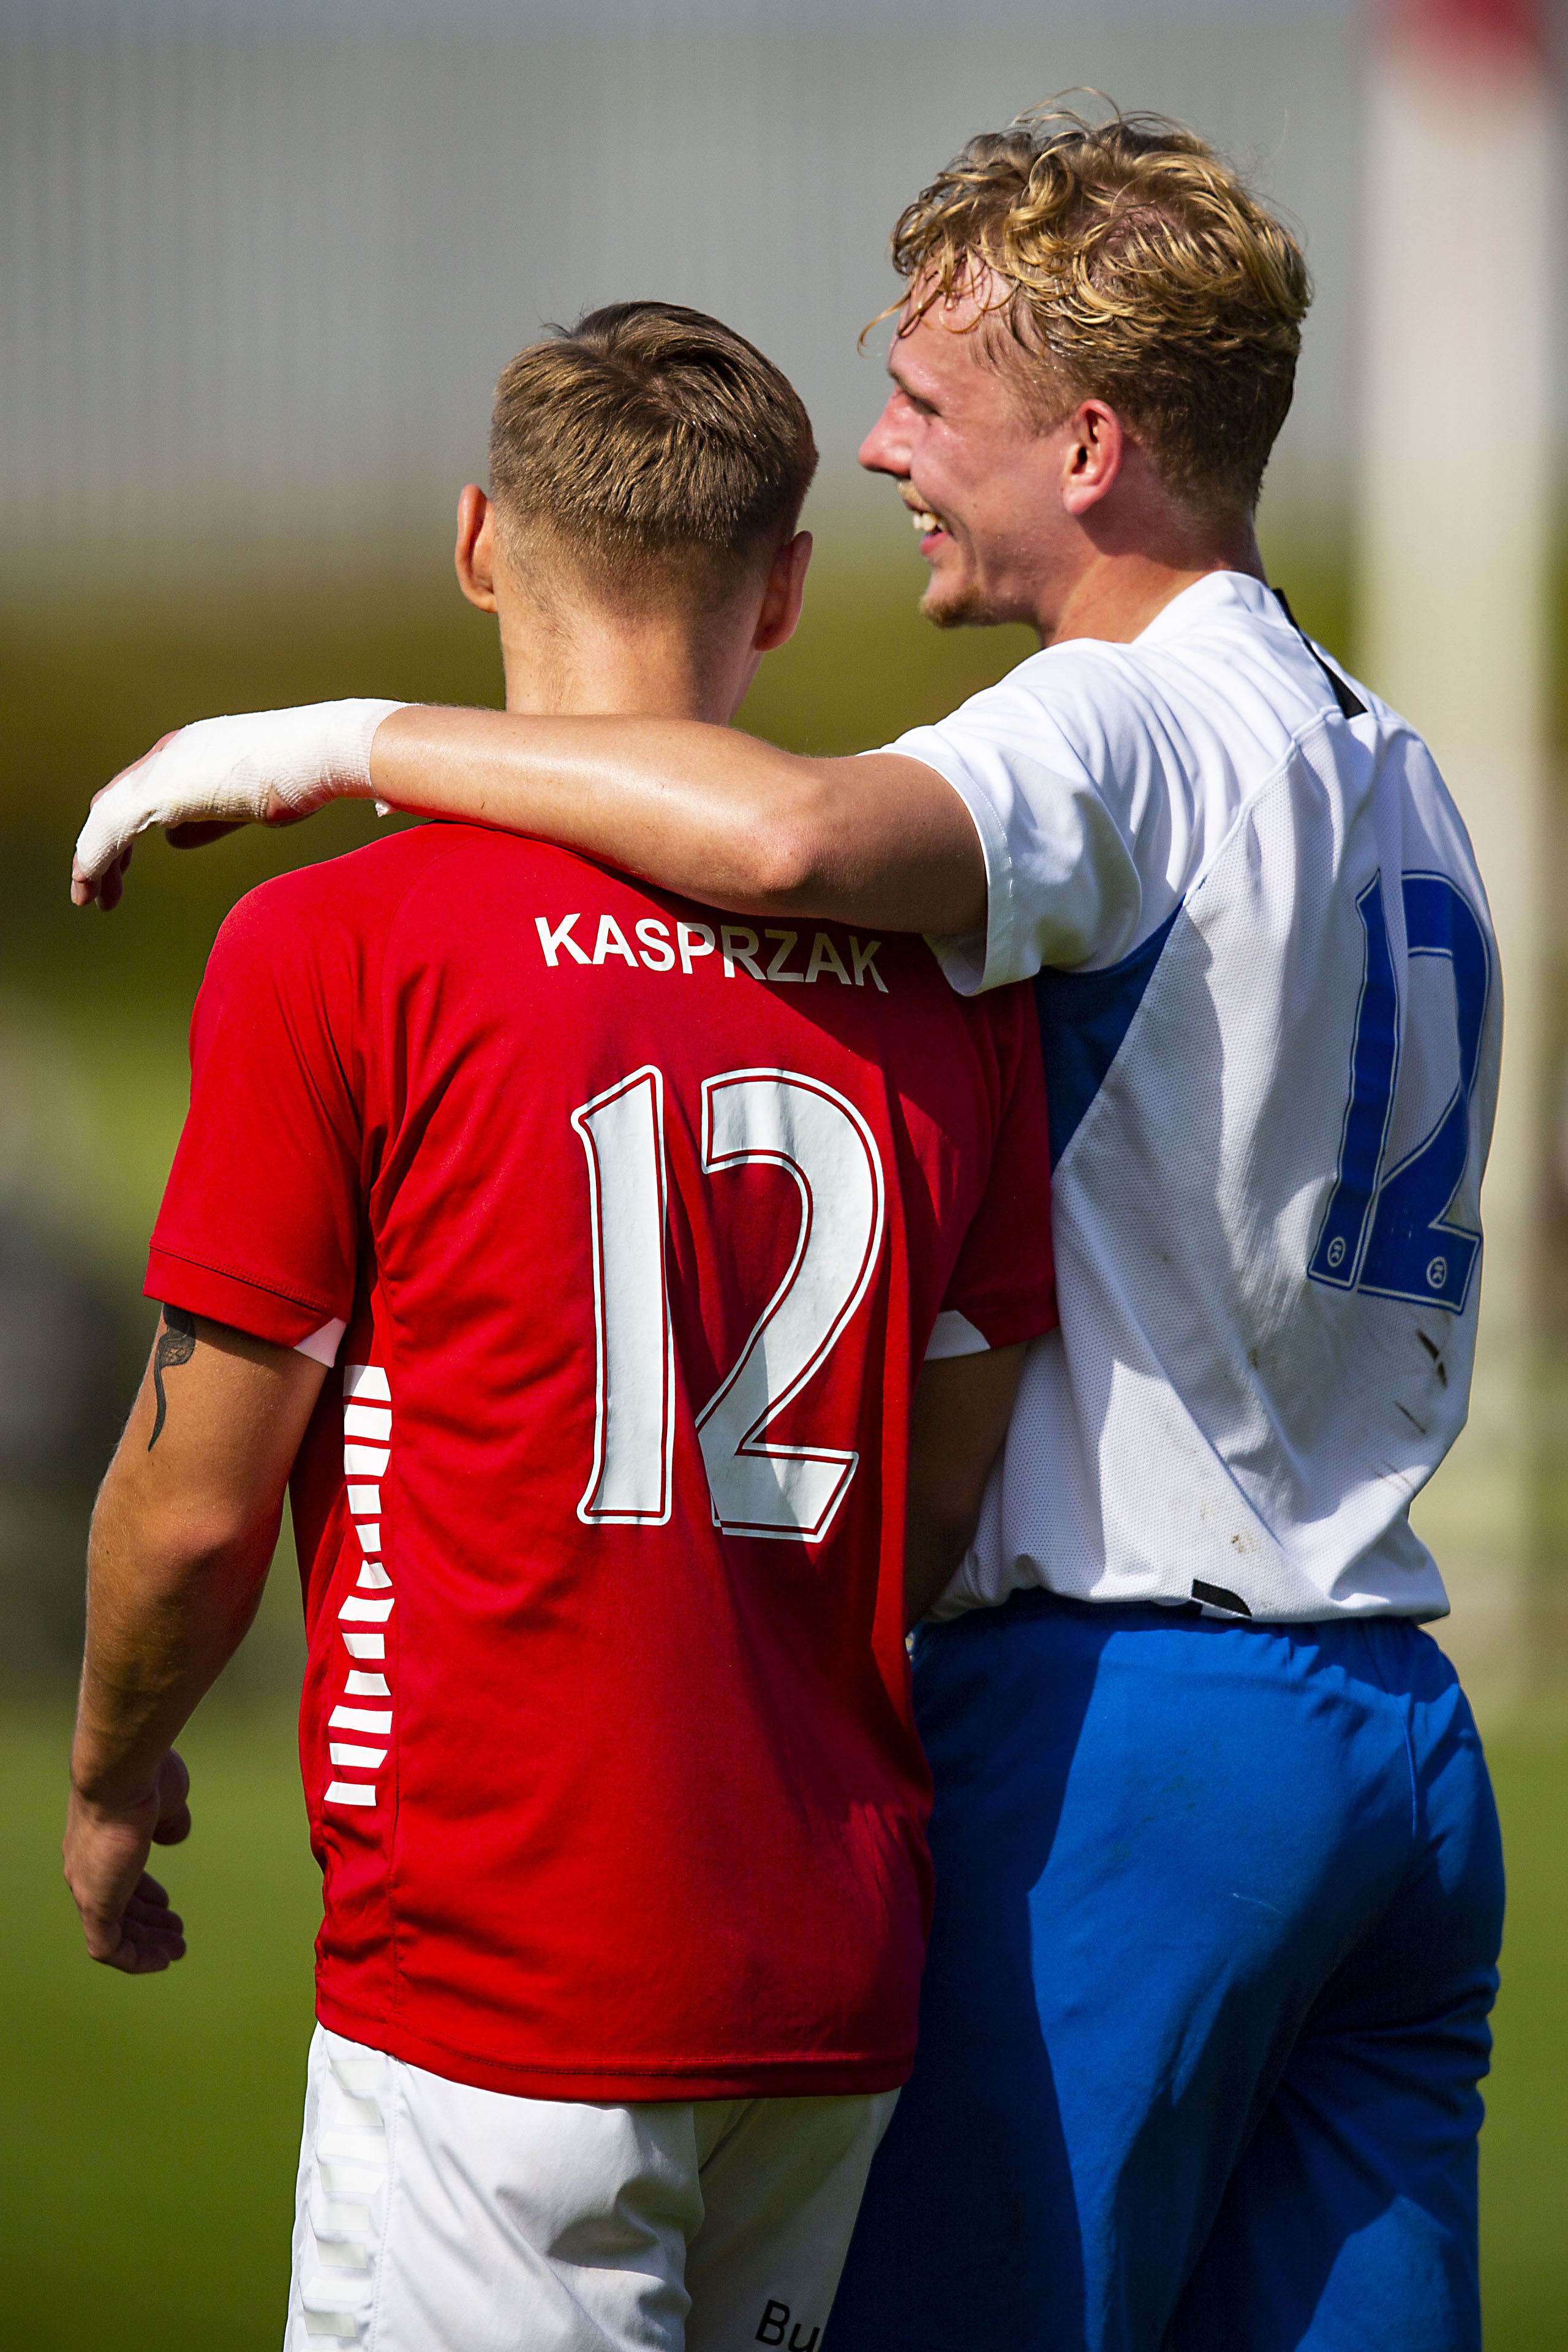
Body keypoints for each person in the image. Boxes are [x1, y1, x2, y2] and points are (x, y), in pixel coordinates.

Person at [72, 107, 1509, 2352]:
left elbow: (791, 840)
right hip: (1394, 1731)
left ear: (1094, 447)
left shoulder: (1120, 722)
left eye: (933, 403)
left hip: (1133, 1718)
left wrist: (335, 737)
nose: (892, 447)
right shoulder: (1397, 762)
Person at [61, 301, 1060, 2352]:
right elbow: (941, 1508)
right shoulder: (952, 983)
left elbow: (195, 1505)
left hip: (504, 1968)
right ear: (782, 591)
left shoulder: (337, 941)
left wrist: (109, 1771)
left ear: (474, 544)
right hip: (830, 1974)